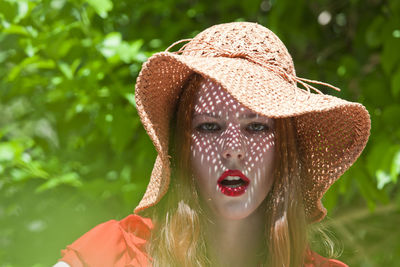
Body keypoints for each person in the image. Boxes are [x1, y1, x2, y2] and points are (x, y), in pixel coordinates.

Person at [54, 22, 370, 267]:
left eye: (257, 126)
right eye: (209, 126)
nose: (233, 148)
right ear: (182, 148)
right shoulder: (111, 256)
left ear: (285, 150)